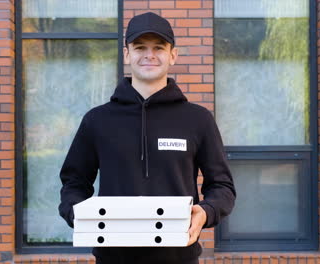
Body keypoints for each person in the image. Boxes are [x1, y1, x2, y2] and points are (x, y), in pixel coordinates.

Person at [58, 12, 236, 264]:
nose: (149, 55)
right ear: (127, 54)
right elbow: (74, 182)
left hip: (179, 257)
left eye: (159, 47)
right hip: (113, 257)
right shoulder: (97, 120)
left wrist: (206, 212)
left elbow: (222, 186)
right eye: (140, 47)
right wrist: (77, 213)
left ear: (173, 55)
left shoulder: (198, 119)